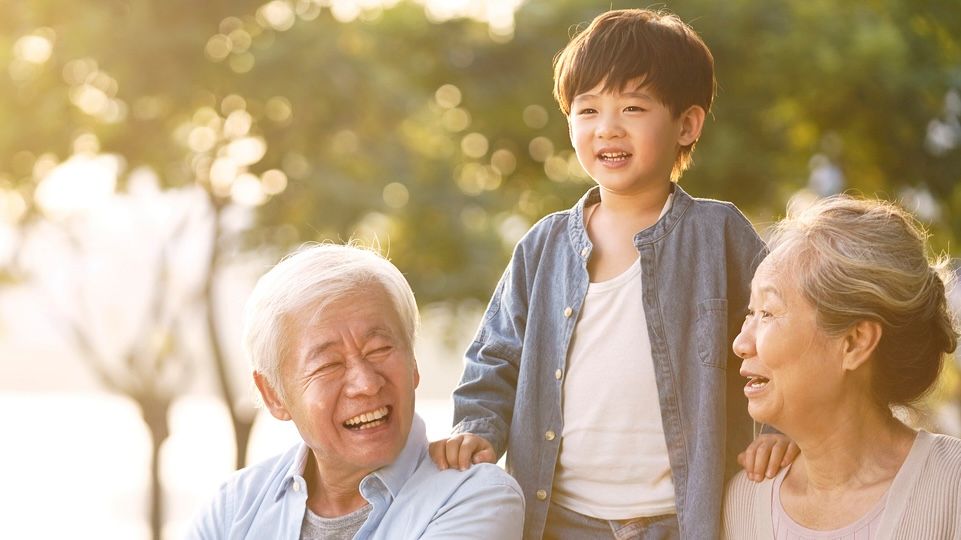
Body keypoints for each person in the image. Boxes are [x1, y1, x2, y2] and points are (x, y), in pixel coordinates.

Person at [429, 9, 796, 539]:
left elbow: (781, 339)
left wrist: (781, 430)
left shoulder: (719, 235)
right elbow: (495, 357)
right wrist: (476, 430)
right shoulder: (543, 247)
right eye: (587, 110)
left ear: (687, 124)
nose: (607, 127)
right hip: (557, 519)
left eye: (632, 106)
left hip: (684, 518)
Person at [187, 243, 524, 539]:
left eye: (379, 349)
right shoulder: (233, 508)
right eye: (329, 365)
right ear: (273, 394)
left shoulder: (476, 497)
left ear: (413, 362)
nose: (366, 383)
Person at [722, 196, 961, 539]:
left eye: (768, 313)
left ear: (854, 343)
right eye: (750, 312)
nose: (740, 344)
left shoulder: (953, 489)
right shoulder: (742, 503)